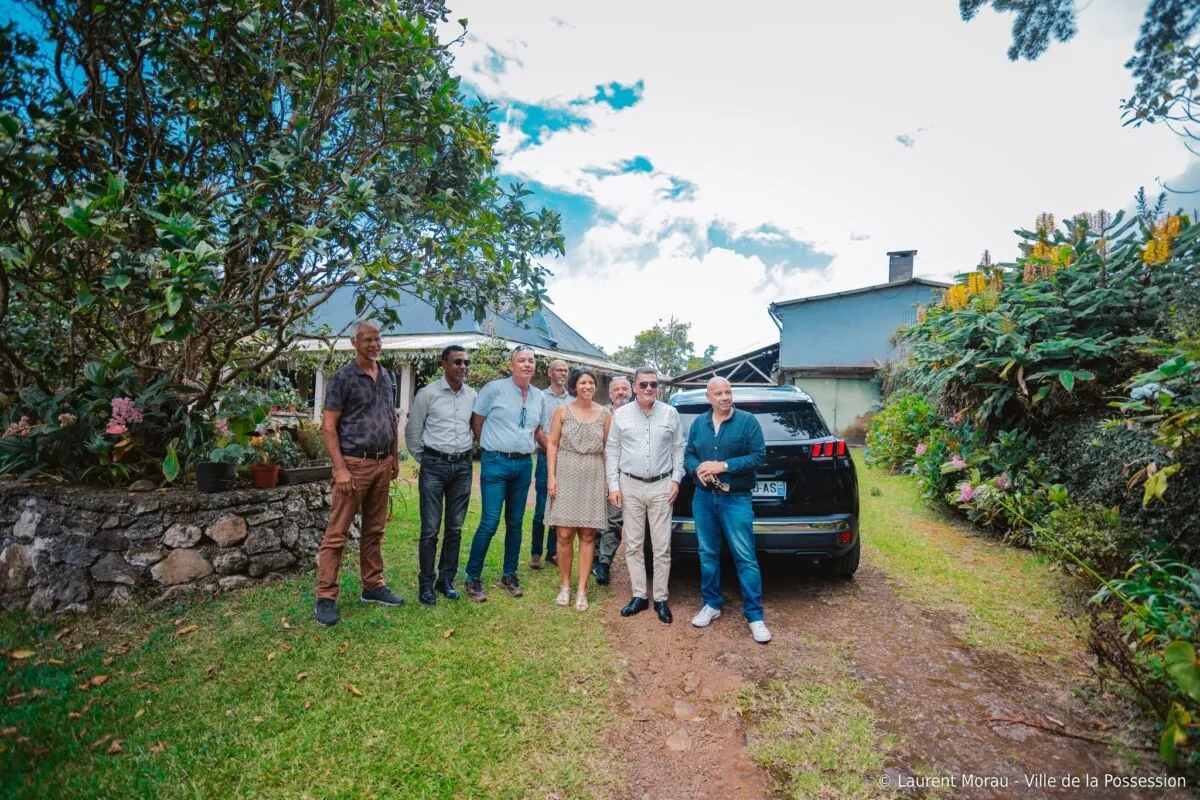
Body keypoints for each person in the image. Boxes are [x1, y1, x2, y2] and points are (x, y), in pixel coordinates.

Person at [314, 320, 405, 627]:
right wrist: (340, 468)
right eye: (367, 340)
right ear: (354, 343)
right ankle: (326, 596)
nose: (374, 345)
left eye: (377, 339)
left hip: (382, 464)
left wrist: (393, 458)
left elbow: (390, 418)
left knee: (375, 530)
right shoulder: (343, 378)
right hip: (353, 465)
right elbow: (328, 426)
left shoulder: (387, 375)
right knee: (337, 534)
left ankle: (373, 586)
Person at [685, 377, 771, 643]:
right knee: (707, 553)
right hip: (703, 498)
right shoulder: (699, 423)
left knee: (744, 556)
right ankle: (711, 604)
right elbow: (689, 454)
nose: (724, 397)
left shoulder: (747, 421)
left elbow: (758, 457)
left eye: (728, 392)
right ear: (708, 398)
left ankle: (755, 616)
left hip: (736, 499)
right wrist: (698, 470)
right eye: (718, 393)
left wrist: (722, 466)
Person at [462, 345, 547, 602]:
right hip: (495, 462)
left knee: (516, 522)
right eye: (521, 360)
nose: (527, 364)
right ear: (511, 365)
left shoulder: (539, 397)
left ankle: (509, 574)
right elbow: (477, 421)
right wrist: (489, 446)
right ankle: (472, 576)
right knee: (489, 521)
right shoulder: (493, 389)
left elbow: (538, 430)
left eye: (531, 361)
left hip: (523, 464)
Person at [605, 366, 685, 624]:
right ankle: (639, 595)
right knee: (634, 544)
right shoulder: (621, 415)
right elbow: (613, 450)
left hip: (662, 486)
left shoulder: (670, 413)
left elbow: (678, 449)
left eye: (653, 384)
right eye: (643, 384)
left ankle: (661, 598)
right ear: (634, 387)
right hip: (630, 485)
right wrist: (613, 486)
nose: (649, 388)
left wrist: (676, 479)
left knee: (661, 546)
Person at [404, 345, 476, 606]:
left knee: (454, 528)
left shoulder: (472, 396)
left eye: (466, 362)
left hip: (463, 467)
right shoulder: (428, 394)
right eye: (457, 362)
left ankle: (446, 580)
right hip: (434, 466)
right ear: (444, 364)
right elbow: (413, 431)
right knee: (430, 529)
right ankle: (426, 583)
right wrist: (426, 459)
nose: (463, 367)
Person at [545, 368, 611, 610]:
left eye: (591, 382)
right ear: (575, 386)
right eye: (583, 382)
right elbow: (552, 444)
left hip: (593, 474)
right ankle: (565, 585)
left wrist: (608, 481)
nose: (587, 386)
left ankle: (582, 589)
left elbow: (608, 449)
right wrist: (551, 476)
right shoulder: (562, 411)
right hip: (566, 473)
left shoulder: (605, 414)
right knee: (564, 534)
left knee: (588, 534)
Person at [531, 359, 573, 570]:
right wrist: (551, 450)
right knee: (541, 507)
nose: (563, 374)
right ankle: (536, 553)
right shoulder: (539, 397)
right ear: (550, 373)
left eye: (565, 371)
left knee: (559, 506)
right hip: (544, 457)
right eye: (559, 370)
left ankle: (552, 551)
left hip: (566, 459)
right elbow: (537, 428)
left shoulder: (571, 400)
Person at [592, 375, 632, 585]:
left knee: (614, 520)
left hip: (624, 476)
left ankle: (604, 563)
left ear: (631, 392)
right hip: (598, 473)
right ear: (610, 394)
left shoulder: (637, 414)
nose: (621, 392)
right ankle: (593, 557)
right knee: (595, 517)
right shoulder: (600, 414)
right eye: (617, 389)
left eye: (624, 389)